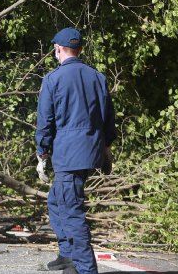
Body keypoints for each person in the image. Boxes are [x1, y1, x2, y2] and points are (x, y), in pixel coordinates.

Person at [35, 27, 117, 274]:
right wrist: (107, 147)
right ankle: (67, 255)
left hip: (69, 155)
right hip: (90, 152)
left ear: (58, 49)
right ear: (79, 50)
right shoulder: (97, 77)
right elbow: (108, 118)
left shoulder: (53, 79)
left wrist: (42, 152)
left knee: (72, 213)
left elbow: (45, 120)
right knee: (56, 200)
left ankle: (85, 269)